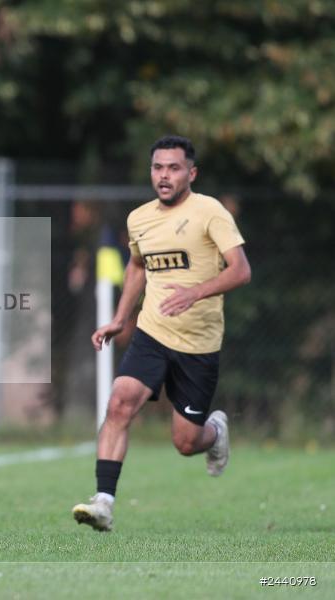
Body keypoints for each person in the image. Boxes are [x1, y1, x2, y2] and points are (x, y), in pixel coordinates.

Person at [72, 135, 251, 531]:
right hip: (152, 333)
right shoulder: (139, 218)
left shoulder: (210, 212)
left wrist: (196, 292)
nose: (164, 175)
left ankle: (215, 431)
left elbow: (240, 270)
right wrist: (122, 317)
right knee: (119, 402)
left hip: (199, 344)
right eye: (157, 167)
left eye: (173, 167)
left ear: (191, 172)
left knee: (186, 443)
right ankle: (103, 502)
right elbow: (138, 266)